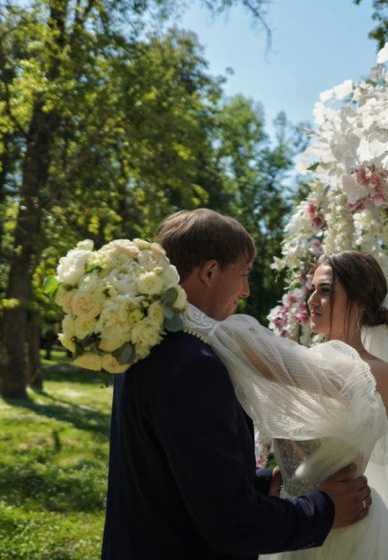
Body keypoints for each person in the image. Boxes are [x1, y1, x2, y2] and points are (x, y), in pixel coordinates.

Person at [101, 209, 372, 560]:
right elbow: (234, 526)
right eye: (243, 275)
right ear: (210, 272)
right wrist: (325, 509)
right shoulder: (193, 366)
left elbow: (166, 469)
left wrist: (262, 483)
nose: (245, 291)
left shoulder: (142, 343)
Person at [184, 251, 388, 560]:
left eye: (326, 290)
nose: (312, 300)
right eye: (312, 290)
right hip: (293, 518)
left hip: (342, 530)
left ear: (359, 300)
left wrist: (183, 310)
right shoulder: (305, 362)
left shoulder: (375, 372)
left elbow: (258, 358)